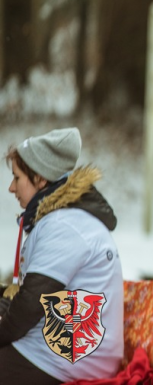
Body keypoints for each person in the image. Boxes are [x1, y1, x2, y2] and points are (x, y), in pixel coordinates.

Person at [0, 128, 123, 385]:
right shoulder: (61, 220)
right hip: (62, 349)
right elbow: (32, 300)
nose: (11, 187)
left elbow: (28, 307)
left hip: (69, 359)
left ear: (41, 179)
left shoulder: (65, 226)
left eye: (17, 177)